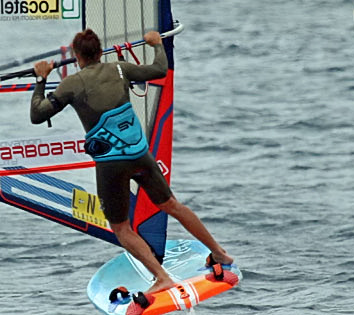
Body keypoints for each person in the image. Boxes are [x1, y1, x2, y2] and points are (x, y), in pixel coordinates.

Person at [30, 28, 235, 296]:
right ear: (101, 52)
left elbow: (37, 114)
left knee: (121, 228)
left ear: (76, 56)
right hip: (139, 154)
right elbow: (160, 69)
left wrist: (41, 79)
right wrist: (156, 44)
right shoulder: (119, 69)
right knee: (171, 204)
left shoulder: (72, 84)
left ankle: (162, 277)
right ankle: (220, 253)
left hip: (112, 164)